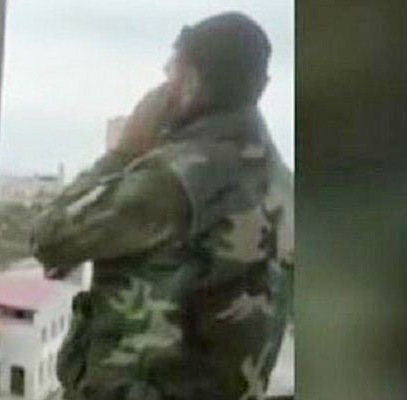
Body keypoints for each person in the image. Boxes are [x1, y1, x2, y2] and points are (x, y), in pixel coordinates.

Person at [31, 12, 293, 400]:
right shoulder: (282, 182)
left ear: (189, 82)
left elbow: (49, 237)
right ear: (262, 85)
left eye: (172, 71)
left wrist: (123, 153)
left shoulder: (173, 179)